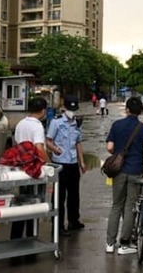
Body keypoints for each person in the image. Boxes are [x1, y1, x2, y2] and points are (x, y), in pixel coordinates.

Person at [105, 97, 143, 255]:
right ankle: (124, 244)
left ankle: (110, 244)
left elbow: (110, 147)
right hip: (135, 170)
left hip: (118, 172)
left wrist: (118, 155)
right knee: (130, 207)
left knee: (116, 205)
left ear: (126, 110)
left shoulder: (117, 125)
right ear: (141, 111)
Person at [46, 95, 86, 235]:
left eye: (74, 109)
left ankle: (74, 221)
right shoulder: (56, 123)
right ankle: (58, 225)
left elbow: (78, 143)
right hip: (60, 164)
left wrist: (82, 161)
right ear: (64, 107)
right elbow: (48, 141)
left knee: (74, 195)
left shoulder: (76, 123)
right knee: (59, 196)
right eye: (70, 108)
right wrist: (56, 149)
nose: (72, 111)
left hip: (73, 163)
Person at [10, 97, 48, 241]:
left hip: (20, 169)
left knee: (20, 204)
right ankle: (31, 240)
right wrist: (47, 163)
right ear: (43, 110)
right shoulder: (37, 126)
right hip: (33, 170)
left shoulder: (21, 123)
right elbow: (39, 147)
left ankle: (16, 239)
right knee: (33, 205)